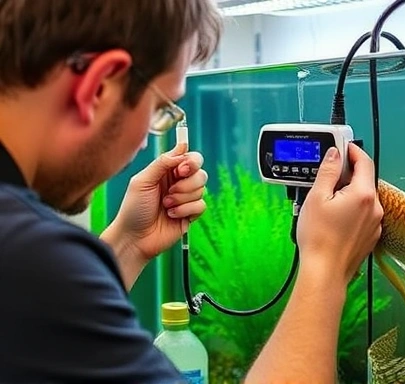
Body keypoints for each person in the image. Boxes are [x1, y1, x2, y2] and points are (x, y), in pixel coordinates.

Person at [0, 1, 383, 383]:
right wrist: (325, 266)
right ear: (97, 87)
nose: (141, 145)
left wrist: (129, 244)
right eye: (158, 110)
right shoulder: (30, 257)